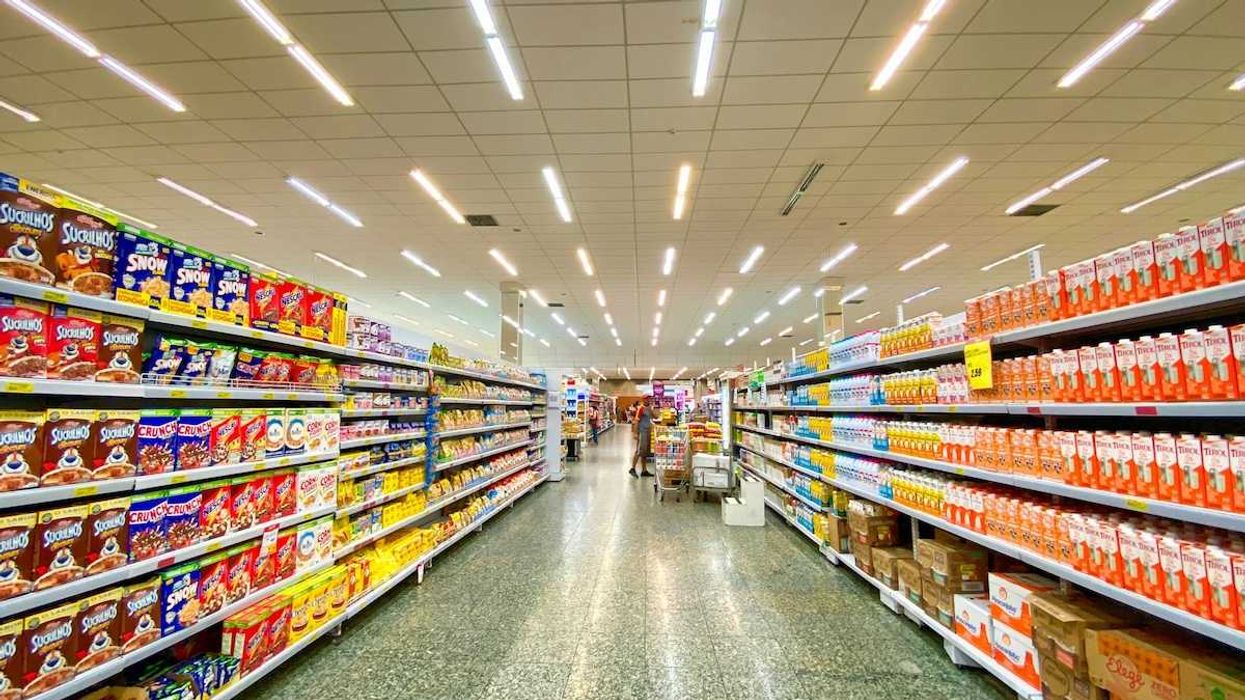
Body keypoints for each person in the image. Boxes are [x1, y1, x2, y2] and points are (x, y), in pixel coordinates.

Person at [629, 397, 653, 478]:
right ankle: (632, 468)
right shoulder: (641, 408)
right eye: (647, 399)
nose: (648, 400)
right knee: (639, 451)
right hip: (642, 432)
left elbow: (655, 417)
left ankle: (644, 470)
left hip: (647, 432)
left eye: (649, 399)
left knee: (644, 452)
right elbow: (636, 421)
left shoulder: (649, 408)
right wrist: (635, 433)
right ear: (643, 400)